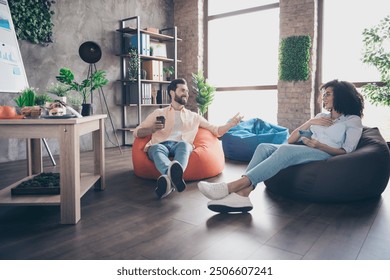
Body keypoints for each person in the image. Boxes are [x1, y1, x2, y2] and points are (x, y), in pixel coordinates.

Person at [198, 79, 365, 213]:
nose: (324, 98)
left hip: (326, 154)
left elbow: (347, 150)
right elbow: (291, 140)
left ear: (340, 96)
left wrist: (320, 145)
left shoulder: (352, 120)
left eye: (328, 94)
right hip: (308, 148)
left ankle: (231, 187)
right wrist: (310, 122)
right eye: (324, 94)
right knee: (263, 147)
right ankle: (243, 194)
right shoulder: (320, 116)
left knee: (285, 150)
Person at [133, 78, 243, 199]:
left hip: (180, 145)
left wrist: (230, 125)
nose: (186, 93)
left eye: (187, 91)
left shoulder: (194, 116)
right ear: (172, 93)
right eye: (182, 90)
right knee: (156, 149)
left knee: (185, 145)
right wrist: (152, 130)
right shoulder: (158, 112)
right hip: (160, 144)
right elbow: (137, 132)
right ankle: (172, 177)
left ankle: (168, 181)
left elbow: (216, 131)